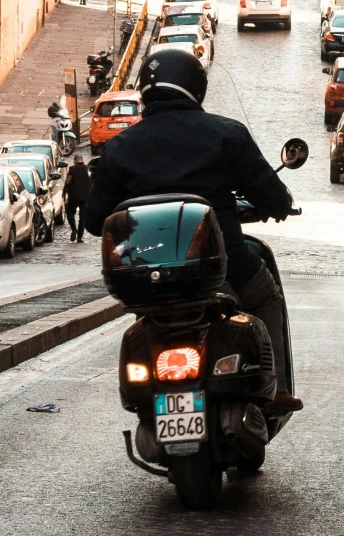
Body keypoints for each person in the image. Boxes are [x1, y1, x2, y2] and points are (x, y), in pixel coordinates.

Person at [83, 46, 302, 409]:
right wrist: (275, 206)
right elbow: (272, 195)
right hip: (225, 265)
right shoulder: (225, 134)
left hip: (145, 276)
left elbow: (93, 221)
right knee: (265, 299)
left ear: (145, 91)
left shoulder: (120, 147)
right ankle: (276, 391)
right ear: (195, 87)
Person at [63, 152, 94, 241]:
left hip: (73, 197)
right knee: (82, 217)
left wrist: (64, 192)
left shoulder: (72, 169)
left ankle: (74, 229)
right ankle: (80, 238)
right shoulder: (87, 169)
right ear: (82, 160)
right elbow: (91, 181)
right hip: (85, 197)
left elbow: (68, 182)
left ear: (75, 160)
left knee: (70, 214)